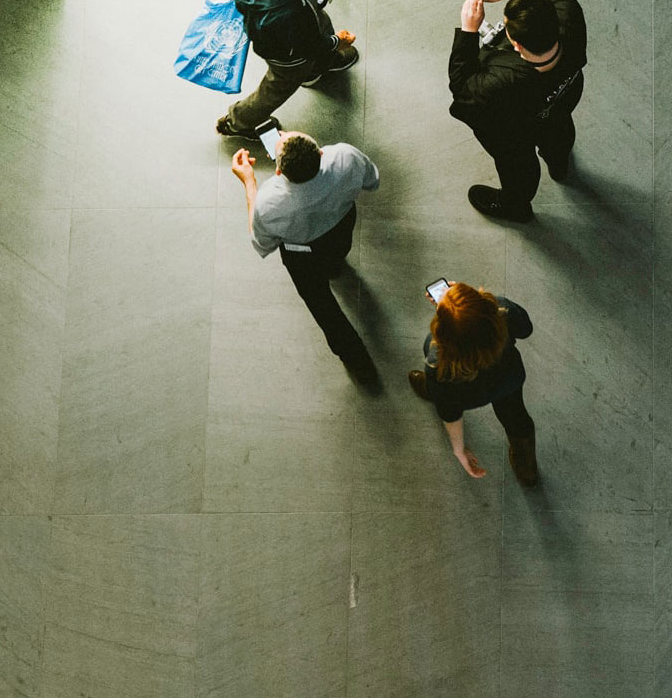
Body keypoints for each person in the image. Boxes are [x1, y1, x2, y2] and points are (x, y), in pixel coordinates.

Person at [230, 130, 380, 387]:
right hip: (341, 225)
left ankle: (357, 361)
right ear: (320, 152)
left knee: (321, 304)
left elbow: (261, 243)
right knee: (337, 254)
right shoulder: (344, 156)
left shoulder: (269, 203)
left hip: (303, 254)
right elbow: (372, 181)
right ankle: (334, 267)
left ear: (278, 171)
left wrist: (249, 182)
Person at [448, 0, 587, 222]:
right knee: (559, 132)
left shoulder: (500, 82)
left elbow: (462, 90)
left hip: (516, 131)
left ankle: (515, 207)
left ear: (517, 45)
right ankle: (559, 165)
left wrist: (469, 30)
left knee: (519, 168)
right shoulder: (570, 15)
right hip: (562, 101)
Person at [216, 0, 358, 139]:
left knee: (317, 28)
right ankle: (238, 122)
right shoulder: (287, 10)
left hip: (271, 20)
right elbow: (308, 46)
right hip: (287, 55)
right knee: (277, 86)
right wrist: (337, 41)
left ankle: (319, 66)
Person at [408, 282, 538, 486]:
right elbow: (526, 329)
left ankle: (431, 390)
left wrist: (459, 450)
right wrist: (467, 304)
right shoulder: (502, 311)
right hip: (508, 379)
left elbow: (451, 414)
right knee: (515, 416)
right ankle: (527, 465)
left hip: (466, 395)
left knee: (442, 394)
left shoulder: (438, 360)